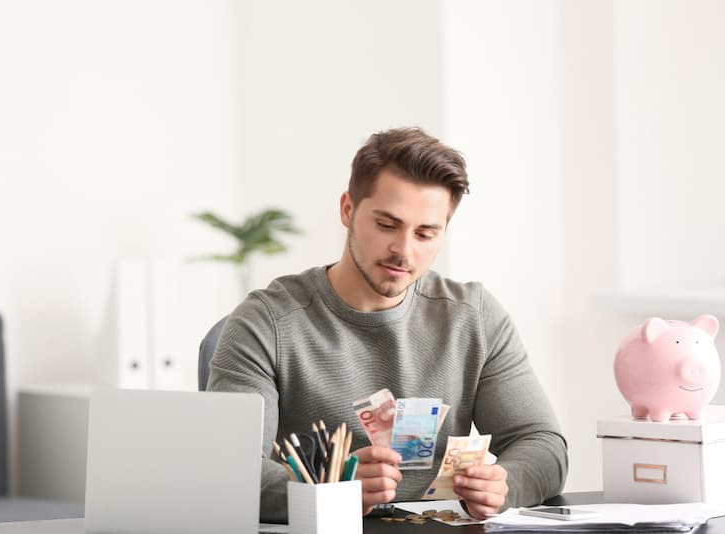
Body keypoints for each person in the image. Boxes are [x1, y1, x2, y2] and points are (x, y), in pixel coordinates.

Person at [207, 127, 568, 522]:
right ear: (347, 209)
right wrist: (329, 491)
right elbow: (230, 473)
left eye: (426, 233)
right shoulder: (266, 323)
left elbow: (543, 444)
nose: (404, 251)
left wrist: (504, 484)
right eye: (386, 225)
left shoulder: (473, 316)